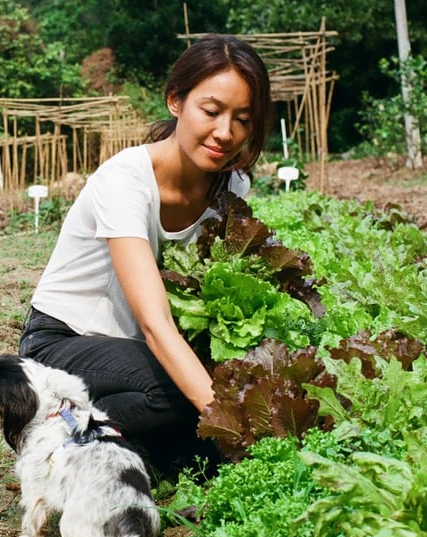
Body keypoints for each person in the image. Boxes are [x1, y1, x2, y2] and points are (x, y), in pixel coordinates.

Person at [18, 34, 272, 478]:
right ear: (176, 101)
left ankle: (132, 449)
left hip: (132, 353)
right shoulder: (125, 180)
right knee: (177, 395)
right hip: (62, 343)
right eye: (211, 111)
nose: (225, 132)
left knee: (210, 408)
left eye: (242, 119)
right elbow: (156, 326)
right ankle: (50, 433)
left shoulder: (232, 187)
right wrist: (232, 425)